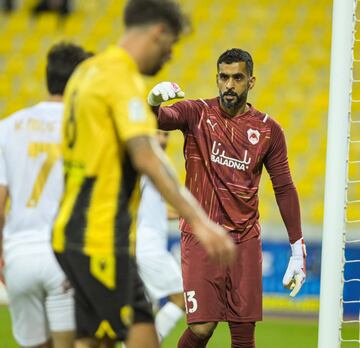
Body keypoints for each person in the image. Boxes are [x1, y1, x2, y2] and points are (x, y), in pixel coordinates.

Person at [51, 1, 235, 348]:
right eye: (170, 46)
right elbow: (146, 155)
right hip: (98, 238)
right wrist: (200, 221)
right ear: (158, 32)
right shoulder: (122, 80)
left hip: (85, 232)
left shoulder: (85, 73)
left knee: (113, 340)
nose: (169, 56)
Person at [147, 48, 307, 348]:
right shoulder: (196, 114)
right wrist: (153, 102)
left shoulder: (268, 130)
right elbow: (160, 118)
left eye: (237, 78)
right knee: (202, 328)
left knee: (244, 335)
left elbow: (284, 187)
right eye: (224, 77)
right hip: (201, 235)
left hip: (244, 240)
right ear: (217, 78)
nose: (229, 85)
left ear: (251, 81)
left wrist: (297, 248)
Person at [0, 42, 90, 348]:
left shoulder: (8, 127)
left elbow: (0, 205)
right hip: (63, 253)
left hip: (18, 256)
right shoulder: (85, 128)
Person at [136, 130, 185, 341]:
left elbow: (154, 209)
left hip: (140, 246)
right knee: (180, 299)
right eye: (158, 134)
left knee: (142, 311)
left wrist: (190, 215)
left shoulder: (152, 161)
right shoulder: (144, 161)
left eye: (166, 134)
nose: (163, 139)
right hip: (148, 248)